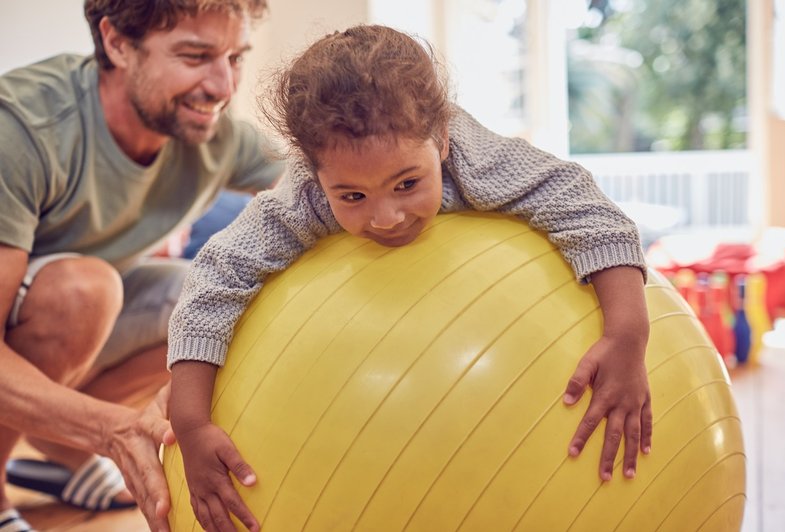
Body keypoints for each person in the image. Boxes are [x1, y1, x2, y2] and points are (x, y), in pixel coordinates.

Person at [167, 25, 652, 531]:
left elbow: (585, 207)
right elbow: (216, 275)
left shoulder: (477, 161)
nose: (387, 217)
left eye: (407, 183)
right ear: (316, 176)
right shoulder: (303, 198)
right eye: (352, 196)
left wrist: (627, 334)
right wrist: (192, 422)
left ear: (440, 142)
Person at [0, 0, 283, 530]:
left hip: (59, 338)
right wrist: (109, 429)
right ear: (116, 43)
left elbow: (329, 178)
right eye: (195, 56)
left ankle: (58, 452)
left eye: (234, 57)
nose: (223, 86)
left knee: (202, 301)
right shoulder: (21, 129)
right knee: (85, 291)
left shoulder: (216, 138)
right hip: (48, 314)